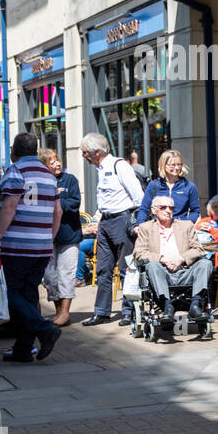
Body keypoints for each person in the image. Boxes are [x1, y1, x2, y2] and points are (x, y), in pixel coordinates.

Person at [0, 133, 59, 361]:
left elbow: (9, 206)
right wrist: (49, 238)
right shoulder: (48, 175)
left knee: (8, 293)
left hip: (18, 245)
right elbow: (58, 212)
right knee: (29, 295)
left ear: (13, 151)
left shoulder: (16, 171)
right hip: (42, 246)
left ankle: (45, 329)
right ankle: (23, 348)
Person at [80, 132, 145, 326]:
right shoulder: (100, 168)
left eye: (85, 152)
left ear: (97, 152)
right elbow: (105, 199)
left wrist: (133, 222)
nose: (84, 156)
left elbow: (138, 197)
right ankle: (101, 312)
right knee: (103, 269)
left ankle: (129, 312)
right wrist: (97, 218)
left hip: (122, 220)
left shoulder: (119, 165)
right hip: (105, 223)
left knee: (127, 269)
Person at [133, 195, 213, 321]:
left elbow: (199, 249)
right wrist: (162, 258)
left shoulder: (186, 226)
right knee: (152, 265)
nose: (168, 210)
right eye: (163, 207)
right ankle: (167, 306)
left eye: (171, 208)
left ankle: (195, 305)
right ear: (154, 210)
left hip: (185, 271)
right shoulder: (146, 228)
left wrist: (181, 258)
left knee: (205, 263)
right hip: (161, 273)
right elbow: (139, 252)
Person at [39, 148, 82, 327]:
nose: (57, 164)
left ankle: (65, 313)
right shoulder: (40, 182)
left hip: (69, 235)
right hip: (47, 238)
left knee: (66, 275)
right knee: (50, 277)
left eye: (57, 159)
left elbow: (74, 202)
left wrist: (56, 201)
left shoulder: (69, 179)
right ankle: (58, 312)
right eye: (51, 162)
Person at [136, 150, 200, 229]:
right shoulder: (153, 185)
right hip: (157, 229)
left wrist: (186, 225)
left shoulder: (189, 186)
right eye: (172, 165)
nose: (176, 168)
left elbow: (195, 210)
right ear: (163, 165)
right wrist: (139, 226)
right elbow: (144, 209)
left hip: (180, 230)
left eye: (179, 164)